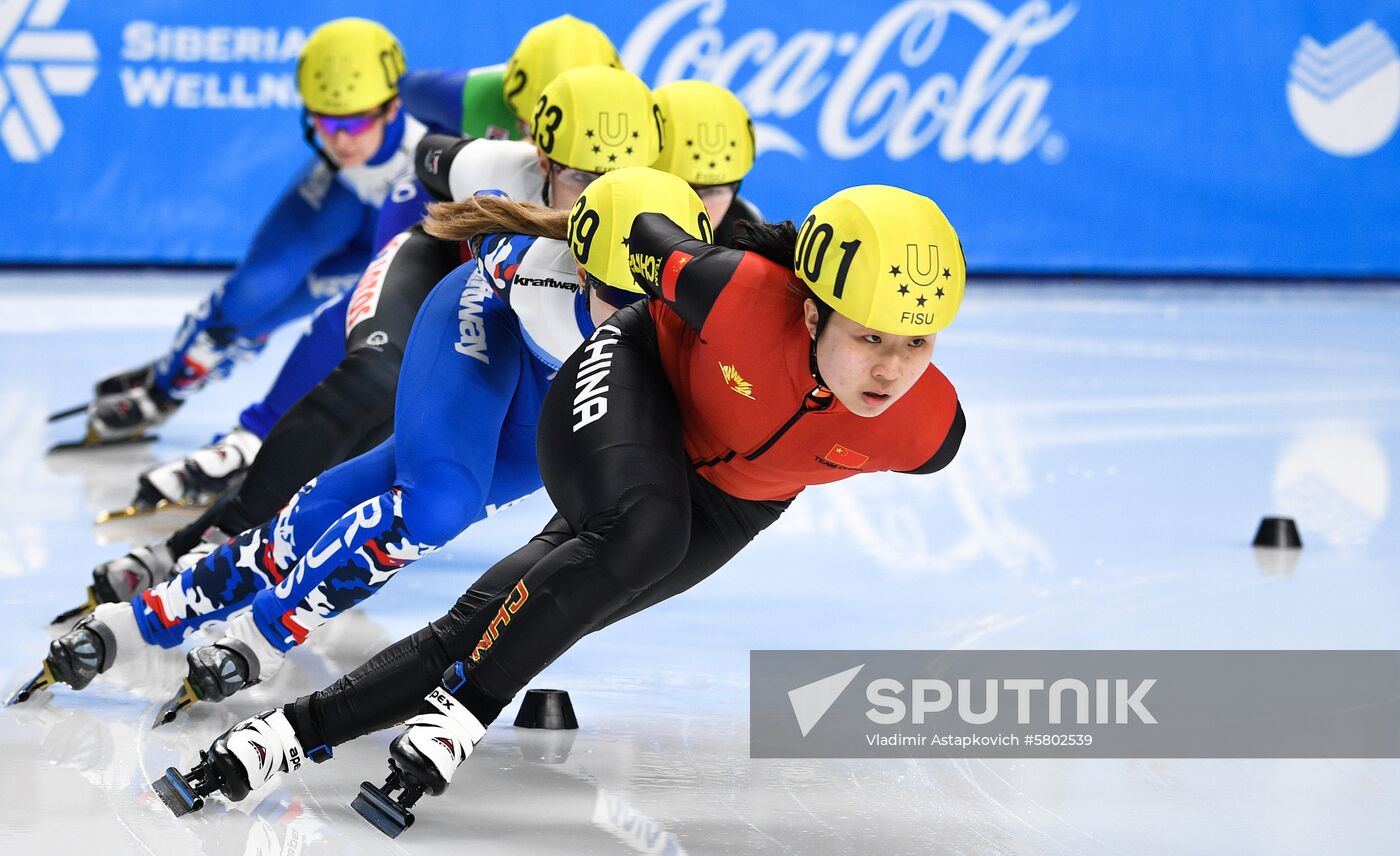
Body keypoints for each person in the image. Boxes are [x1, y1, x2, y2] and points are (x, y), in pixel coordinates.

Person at [153, 170, 967, 822]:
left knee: (520, 616)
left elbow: (903, 398)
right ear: (812, 309)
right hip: (630, 380)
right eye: (868, 337)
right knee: (646, 534)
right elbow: (645, 232)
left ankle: (286, 734)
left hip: (731, 499)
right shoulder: (737, 292)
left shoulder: (926, 430)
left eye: (915, 344)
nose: (892, 371)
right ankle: (466, 711)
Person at [16, 69, 667, 713]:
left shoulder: (680, 259)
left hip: (551, 382)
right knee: (431, 490)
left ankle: (152, 614)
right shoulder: (528, 249)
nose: (597, 191)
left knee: (384, 491)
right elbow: (426, 181)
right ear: (543, 156)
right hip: (479, 308)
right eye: (580, 176)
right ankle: (263, 625)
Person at [67, 21, 627, 614]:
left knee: (404, 446)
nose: (526, 140)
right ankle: (229, 482)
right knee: (360, 362)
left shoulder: (628, 152)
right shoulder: (472, 108)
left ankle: (246, 533)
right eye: (518, 122)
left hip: (514, 299)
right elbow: (418, 164)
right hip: (442, 242)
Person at [80, 18, 424, 445]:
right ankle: (163, 388)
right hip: (344, 195)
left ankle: (255, 437)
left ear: (393, 106)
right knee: (252, 294)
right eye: (323, 121)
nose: (339, 141)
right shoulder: (344, 156)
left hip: (397, 231)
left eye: (353, 124)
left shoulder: (434, 132)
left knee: (336, 317)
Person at [651, 79, 763, 241]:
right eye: (678, 190)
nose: (697, 208)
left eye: (713, 191)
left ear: (735, 189)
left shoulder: (745, 231)